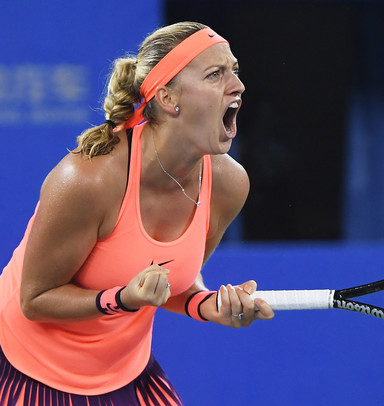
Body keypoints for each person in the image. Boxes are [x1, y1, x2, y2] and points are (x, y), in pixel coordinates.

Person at [0, 21, 274, 405]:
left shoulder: (228, 185)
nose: (238, 85)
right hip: (25, 369)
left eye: (235, 70)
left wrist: (207, 306)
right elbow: (35, 300)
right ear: (167, 97)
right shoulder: (88, 180)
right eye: (216, 74)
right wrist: (123, 299)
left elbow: (170, 284)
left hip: (125, 371)